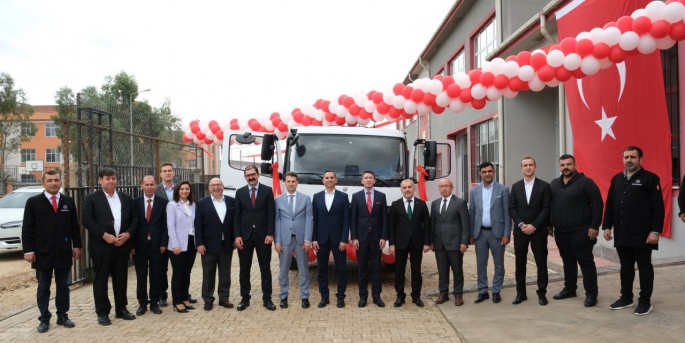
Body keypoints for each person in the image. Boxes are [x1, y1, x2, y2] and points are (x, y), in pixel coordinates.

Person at [603, 146, 664, 316]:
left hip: (643, 234)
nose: (629, 160)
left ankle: (645, 301)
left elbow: (658, 207)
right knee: (626, 266)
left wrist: (655, 231)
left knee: (644, 266)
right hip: (622, 232)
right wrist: (607, 226)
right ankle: (626, 298)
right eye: (626, 157)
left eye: (633, 157)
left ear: (641, 160)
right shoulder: (616, 179)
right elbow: (610, 205)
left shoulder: (650, 179)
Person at [22, 170, 82, 333]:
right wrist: (28, 250)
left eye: (56, 180)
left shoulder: (68, 202)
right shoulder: (33, 202)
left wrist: (77, 246)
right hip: (42, 253)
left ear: (61, 182)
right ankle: (44, 318)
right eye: (49, 180)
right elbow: (27, 228)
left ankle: (62, 315)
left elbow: (74, 226)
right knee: (43, 287)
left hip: (63, 251)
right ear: (43, 183)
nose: (54, 183)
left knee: (63, 285)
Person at [82, 167, 138, 325]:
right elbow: (87, 220)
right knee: (100, 280)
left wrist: (128, 234)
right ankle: (102, 312)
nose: (111, 181)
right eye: (107, 179)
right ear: (100, 180)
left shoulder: (125, 197)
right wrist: (104, 235)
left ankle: (121, 309)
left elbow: (134, 218)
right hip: (101, 246)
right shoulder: (92, 198)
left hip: (121, 245)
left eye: (113, 178)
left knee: (121, 279)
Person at [549, 154, 603, 307]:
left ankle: (591, 294)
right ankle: (570, 289)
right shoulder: (554, 184)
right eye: (562, 165)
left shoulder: (586, 183)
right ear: (560, 167)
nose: (565, 167)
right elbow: (548, 206)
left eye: (568, 164)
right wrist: (549, 224)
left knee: (586, 263)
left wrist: (594, 226)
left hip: (581, 232)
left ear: (575, 165)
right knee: (568, 262)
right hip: (561, 232)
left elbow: (598, 204)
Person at [509, 157, 551, 306]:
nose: (528, 167)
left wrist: (534, 225)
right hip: (520, 232)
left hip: (538, 232)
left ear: (535, 167)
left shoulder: (544, 186)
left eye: (530, 165)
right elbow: (512, 208)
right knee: (520, 263)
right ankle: (521, 293)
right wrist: (520, 224)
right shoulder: (516, 186)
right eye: (525, 165)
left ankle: (542, 293)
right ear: (521, 168)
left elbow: (546, 208)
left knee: (541, 263)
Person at [233, 165, 276, 311]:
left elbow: (271, 214)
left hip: (263, 237)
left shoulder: (267, 191)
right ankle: (245, 298)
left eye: (253, 174)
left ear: (258, 175)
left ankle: (267, 299)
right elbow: (236, 216)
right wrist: (237, 235)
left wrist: (270, 234)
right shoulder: (239, 193)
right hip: (244, 237)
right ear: (245, 177)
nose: (251, 177)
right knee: (244, 269)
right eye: (248, 175)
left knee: (265, 269)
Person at [469, 162, 511, 304]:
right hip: (480, 233)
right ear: (480, 174)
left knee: (499, 264)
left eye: (489, 171)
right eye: (484, 172)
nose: (487, 174)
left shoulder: (503, 190)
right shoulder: (474, 191)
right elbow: (472, 213)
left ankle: (496, 291)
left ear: (493, 172)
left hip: (497, 234)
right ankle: (482, 291)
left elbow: (507, 213)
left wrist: (507, 234)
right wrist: (471, 233)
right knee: (481, 264)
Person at [388, 179, 431, 307]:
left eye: (410, 187)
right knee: (399, 270)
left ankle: (416, 296)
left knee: (416, 270)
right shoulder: (395, 205)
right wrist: (392, 244)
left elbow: (427, 225)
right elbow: (391, 226)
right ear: (401, 190)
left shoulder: (421, 204)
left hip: (417, 243)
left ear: (414, 189)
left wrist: (427, 242)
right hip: (400, 243)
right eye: (405, 187)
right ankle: (400, 296)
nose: (407, 189)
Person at [195, 178, 235, 311]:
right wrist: (199, 243)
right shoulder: (201, 204)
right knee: (208, 272)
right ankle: (208, 299)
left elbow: (235, 222)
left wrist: (235, 238)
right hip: (208, 244)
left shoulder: (231, 202)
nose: (216, 187)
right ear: (209, 188)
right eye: (213, 185)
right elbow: (198, 225)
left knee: (225, 272)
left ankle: (224, 298)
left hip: (226, 244)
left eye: (218, 185)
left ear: (223, 186)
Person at [274, 172, 313, 309]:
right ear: (284, 182)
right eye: (288, 181)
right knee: (283, 270)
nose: (291, 184)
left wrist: (308, 239)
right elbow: (277, 221)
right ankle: (283, 296)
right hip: (284, 240)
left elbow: (309, 219)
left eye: (293, 181)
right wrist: (277, 242)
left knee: (303, 269)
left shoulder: (306, 199)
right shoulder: (278, 200)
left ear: (297, 183)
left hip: (301, 239)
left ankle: (304, 297)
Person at [312, 170, 350, 308]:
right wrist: (314, 239)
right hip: (321, 240)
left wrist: (344, 239)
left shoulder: (343, 197)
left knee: (341, 269)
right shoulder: (316, 197)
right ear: (323, 180)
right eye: (326, 178)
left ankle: (340, 297)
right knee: (322, 269)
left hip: (338, 239)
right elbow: (314, 220)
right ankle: (324, 297)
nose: (329, 180)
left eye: (331, 178)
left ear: (336, 180)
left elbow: (346, 219)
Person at [351, 170, 388, 308]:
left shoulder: (381, 196)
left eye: (370, 178)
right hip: (361, 239)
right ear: (362, 181)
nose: (368, 180)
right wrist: (354, 237)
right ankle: (363, 297)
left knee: (376, 269)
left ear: (374, 180)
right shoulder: (355, 197)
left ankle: (377, 296)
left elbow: (385, 218)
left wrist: (384, 236)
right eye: (365, 178)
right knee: (362, 270)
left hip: (376, 239)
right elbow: (353, 219)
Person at [132, 176, 168, 315]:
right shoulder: (135, 202)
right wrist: (132, 245)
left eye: (152, 184)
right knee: (141, 276)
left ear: (156, 186)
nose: (149, 187)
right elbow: (132, 224)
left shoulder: (163, 202)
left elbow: (165, 225)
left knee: (156, 275)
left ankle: (154, 302)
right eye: (146, 184)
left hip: (157, 245)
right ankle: (142, 303)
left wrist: (164, 243)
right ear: (141, 186)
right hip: (140, 245)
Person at [431, 178, 470, 306]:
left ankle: (458, 294)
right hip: (439, 243)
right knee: (442, 270)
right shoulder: (435, 203)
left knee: (457, 270)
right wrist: (432, 241)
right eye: (441, 186)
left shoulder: (460, 203)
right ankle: (443, 293)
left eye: (446, 186)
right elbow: (433, 224)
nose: (444, 188)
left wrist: (464, 242)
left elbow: (465, 224)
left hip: (455, 243)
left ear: (452, 187)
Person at [166, 181, 197, 313]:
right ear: (177, 191)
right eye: (182, 189)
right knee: (178, 273)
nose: (185, 191)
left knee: (187, 272)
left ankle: (185, 298)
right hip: (178, 243)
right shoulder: (172, 205)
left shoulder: (193, 205)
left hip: (191, 241)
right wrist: (175, 244)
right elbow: (170, 226)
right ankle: (177, 301)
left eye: (187, 189)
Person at [153, 162, 176, 306]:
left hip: (178, 234)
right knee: (161, 267)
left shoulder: (181, 188)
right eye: (164, 171)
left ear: (173, 173)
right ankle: (162, 294)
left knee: (180, 267)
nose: (167, 173)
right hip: (161, 233)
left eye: (170, 170)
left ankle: (182, 293)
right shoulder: (155, 189)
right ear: (160, 174)